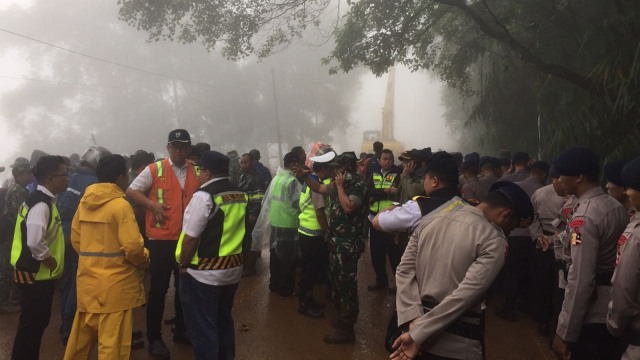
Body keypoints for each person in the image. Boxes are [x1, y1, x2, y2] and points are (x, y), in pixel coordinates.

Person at [391, 181, 534, 360]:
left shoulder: (430, 220)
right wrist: (420, 334)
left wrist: (413, 322)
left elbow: (404, 271)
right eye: (512, 226)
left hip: (410, 335)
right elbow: (466, 294)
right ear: (505, 215)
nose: (510, 231)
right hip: (457, 345)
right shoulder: (494, 239)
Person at [63, 154, 149, 360]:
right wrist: (145, 259)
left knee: (79, 343)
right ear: (121, 177)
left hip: (88, 284)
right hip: (116, 289)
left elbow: (76, 240)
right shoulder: (120, 206)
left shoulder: (85, 202)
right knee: (113, 346)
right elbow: (133, 248)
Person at [127, 129, 201, 358]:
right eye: (174, 146)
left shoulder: (197, 170)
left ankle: (181, 330)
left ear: (189, 148)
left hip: (187, 240)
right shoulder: (155, 169)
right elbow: (132, 191)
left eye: (182, 147)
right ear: (168, 148)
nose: (178, 151)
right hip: (160, 241)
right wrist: (152, 205)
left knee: (184, 288)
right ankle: (155, 338)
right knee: (158, 291)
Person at [551, 147, 629, 360]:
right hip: (614, 306)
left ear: (579, 177)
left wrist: (566, 332)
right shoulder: (615, 206)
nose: (558, 180)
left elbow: (581, 278)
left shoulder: (583, 218)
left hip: (592, 312)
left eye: (561, 174)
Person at [176, 151, 248, 360]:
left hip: (204, 273)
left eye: (200, 170)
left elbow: (190, 238)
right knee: (224, 319)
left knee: (203, 327)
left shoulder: (204, 196)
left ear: (207, 172)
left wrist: (183, 263)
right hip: (232, 269)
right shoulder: (239, 193)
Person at [293, 151, 368, 343]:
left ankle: (347, 328)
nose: (334, 171)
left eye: (337, 168)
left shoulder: (358, 186)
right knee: (337, 284)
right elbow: (318, 187)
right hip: (337, 243)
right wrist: (304, 175)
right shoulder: (337, 184)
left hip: (348, 245)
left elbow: (349, 207)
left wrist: (341, 187)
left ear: (345, 168)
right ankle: (342, 318)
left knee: (346, 286)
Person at [10, 155, 68, 360]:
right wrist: (48, 259)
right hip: (34, 274)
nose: (67, 178)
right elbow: (35, 241)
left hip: (37, 274)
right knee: (32, 325)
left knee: (35, 324)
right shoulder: (41, 204)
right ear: (51, 178)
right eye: (64, 174)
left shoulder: (42, 200)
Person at [57, 145, 112, 345]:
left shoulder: (70, 176)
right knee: (77, 286)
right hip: (77, 234)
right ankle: (71, 331)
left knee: (67, 283)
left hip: (61, 233)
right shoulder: (92, 182)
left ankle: (65, 325)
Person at [495, 161, 549, 321]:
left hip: (514, 234)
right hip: (539, 239)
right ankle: (530, 307)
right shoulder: (547, 190)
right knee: (531, 273)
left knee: (511, 273)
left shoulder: (515, 187)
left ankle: (509, 308)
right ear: (544, 175)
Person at [371, 151, 460, 235]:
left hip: (409, 223)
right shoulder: (467, 206)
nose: (404, 165)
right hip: (402, 223)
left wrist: (391, 208)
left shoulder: (419, 180)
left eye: (408, 162)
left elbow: (413, 192)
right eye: (403, 162)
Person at [607, 156, 640, 360]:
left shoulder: (636, 236)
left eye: (631, 187)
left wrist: (614, 325)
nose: (627, 193)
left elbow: (624, 288)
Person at [297, 150, 335, 318]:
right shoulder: (316, 184)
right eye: (331, 169)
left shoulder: (311, 180)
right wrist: (327, 232)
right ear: (325, 170)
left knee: (309, 268)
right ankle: (305, 303)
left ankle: (308, 300)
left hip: (306, 230)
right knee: (309, 271)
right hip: (313, 233)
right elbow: (319, 212)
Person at [264, 152, 301, 296]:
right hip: (288, 224)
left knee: (275, 256)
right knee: (287, 259)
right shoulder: (292, 181)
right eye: (299, 163)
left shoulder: (277, 178)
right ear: (293, 164)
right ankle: (286, 289)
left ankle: (274, 284)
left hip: (275, 222)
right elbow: (296, 204)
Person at [0, 158, 33, 313]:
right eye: (29, 173)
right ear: (22, 173)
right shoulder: (18, 191)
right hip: (12, 234)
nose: (31, 176)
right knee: (7, 267)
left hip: (12, 234)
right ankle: (3, 302)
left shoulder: (18, 188)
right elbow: (21, 215)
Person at [367, 149, 401, 292]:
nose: (388, 161)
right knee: (376, 253)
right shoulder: (373, 175)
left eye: (391, 159)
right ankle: (381, 280)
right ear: (379, 160)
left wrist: (377, 194)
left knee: (394, 254)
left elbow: (397, 193)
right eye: (385, 159)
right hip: (374, 218)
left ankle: (399, 284)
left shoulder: (398, 175)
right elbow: (368, 191)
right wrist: (385, 192)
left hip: (391, 220)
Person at [237, 153, 265, 277]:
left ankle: (250, 267)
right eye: (241, 162)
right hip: (242, 212)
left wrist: (253, 213)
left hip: (252, 213)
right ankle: (244, 265)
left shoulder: (256, 177)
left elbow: (258, 197)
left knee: (252, 241)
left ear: (252, 162)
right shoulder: (241, 175)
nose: (242, 165)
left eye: (245, 162)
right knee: (244, 240)